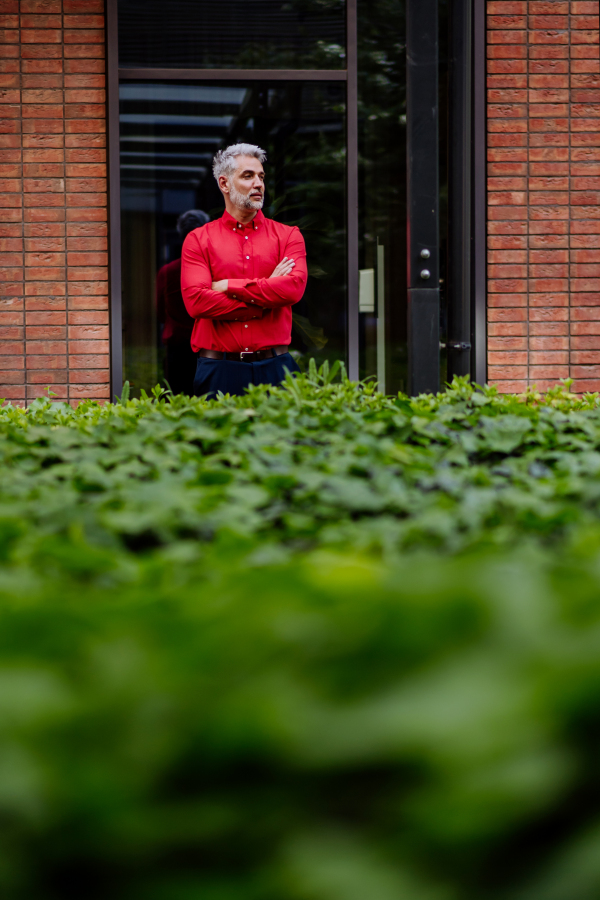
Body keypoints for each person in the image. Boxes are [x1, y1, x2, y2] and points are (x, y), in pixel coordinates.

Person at [181, 143, 307, 398]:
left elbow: (292, 290)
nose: (258, 183)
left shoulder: (288, 236)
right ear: (224, 184)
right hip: (219, 370)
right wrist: (267, 295)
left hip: (277, 368)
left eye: (261, 176)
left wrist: (229, 285)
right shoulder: (198, 240)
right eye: (248, 176)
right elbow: (197, 303)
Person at [156, 209, 210, 395]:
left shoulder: (168, 271)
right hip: (208, 344)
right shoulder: (215, 271)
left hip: (177, 344)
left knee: (177, 397)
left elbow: (160, 313)